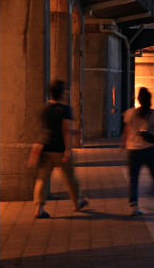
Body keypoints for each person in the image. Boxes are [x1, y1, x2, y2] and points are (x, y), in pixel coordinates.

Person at [33, 79, 87, 218]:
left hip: (45, 147)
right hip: (59, 149)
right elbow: (65, 130)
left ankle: (39, 208)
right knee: (70, 178)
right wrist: (67, 150)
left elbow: (48, 128)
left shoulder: (43, 109)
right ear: (62, 93)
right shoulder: (65, 110)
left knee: (42, 179)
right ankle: (77, 203)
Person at [121, 87, 154, 215]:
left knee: (133, 179)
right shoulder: (153, 113)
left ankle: (135, 207)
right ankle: (152, 194)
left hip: (132, 151)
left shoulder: (130, 113)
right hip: (148, 150)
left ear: (138, 100)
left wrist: (123, 144)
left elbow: (126, 131)